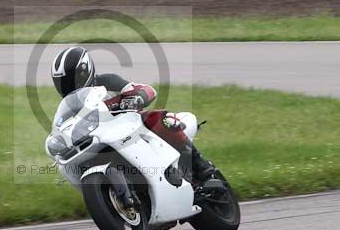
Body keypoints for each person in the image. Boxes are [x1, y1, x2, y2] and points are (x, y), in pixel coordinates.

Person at [51, 45, 217, 186]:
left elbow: (145, 89)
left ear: (84, 72)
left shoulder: (108, 81)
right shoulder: (70, 107)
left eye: (70, 81)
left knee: (159, 118)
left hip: (133, 130)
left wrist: (137, 97)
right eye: (62, 83)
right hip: (102, 140)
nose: (67, 87)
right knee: (66, 165)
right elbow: (61, 129)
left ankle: (203, 170)